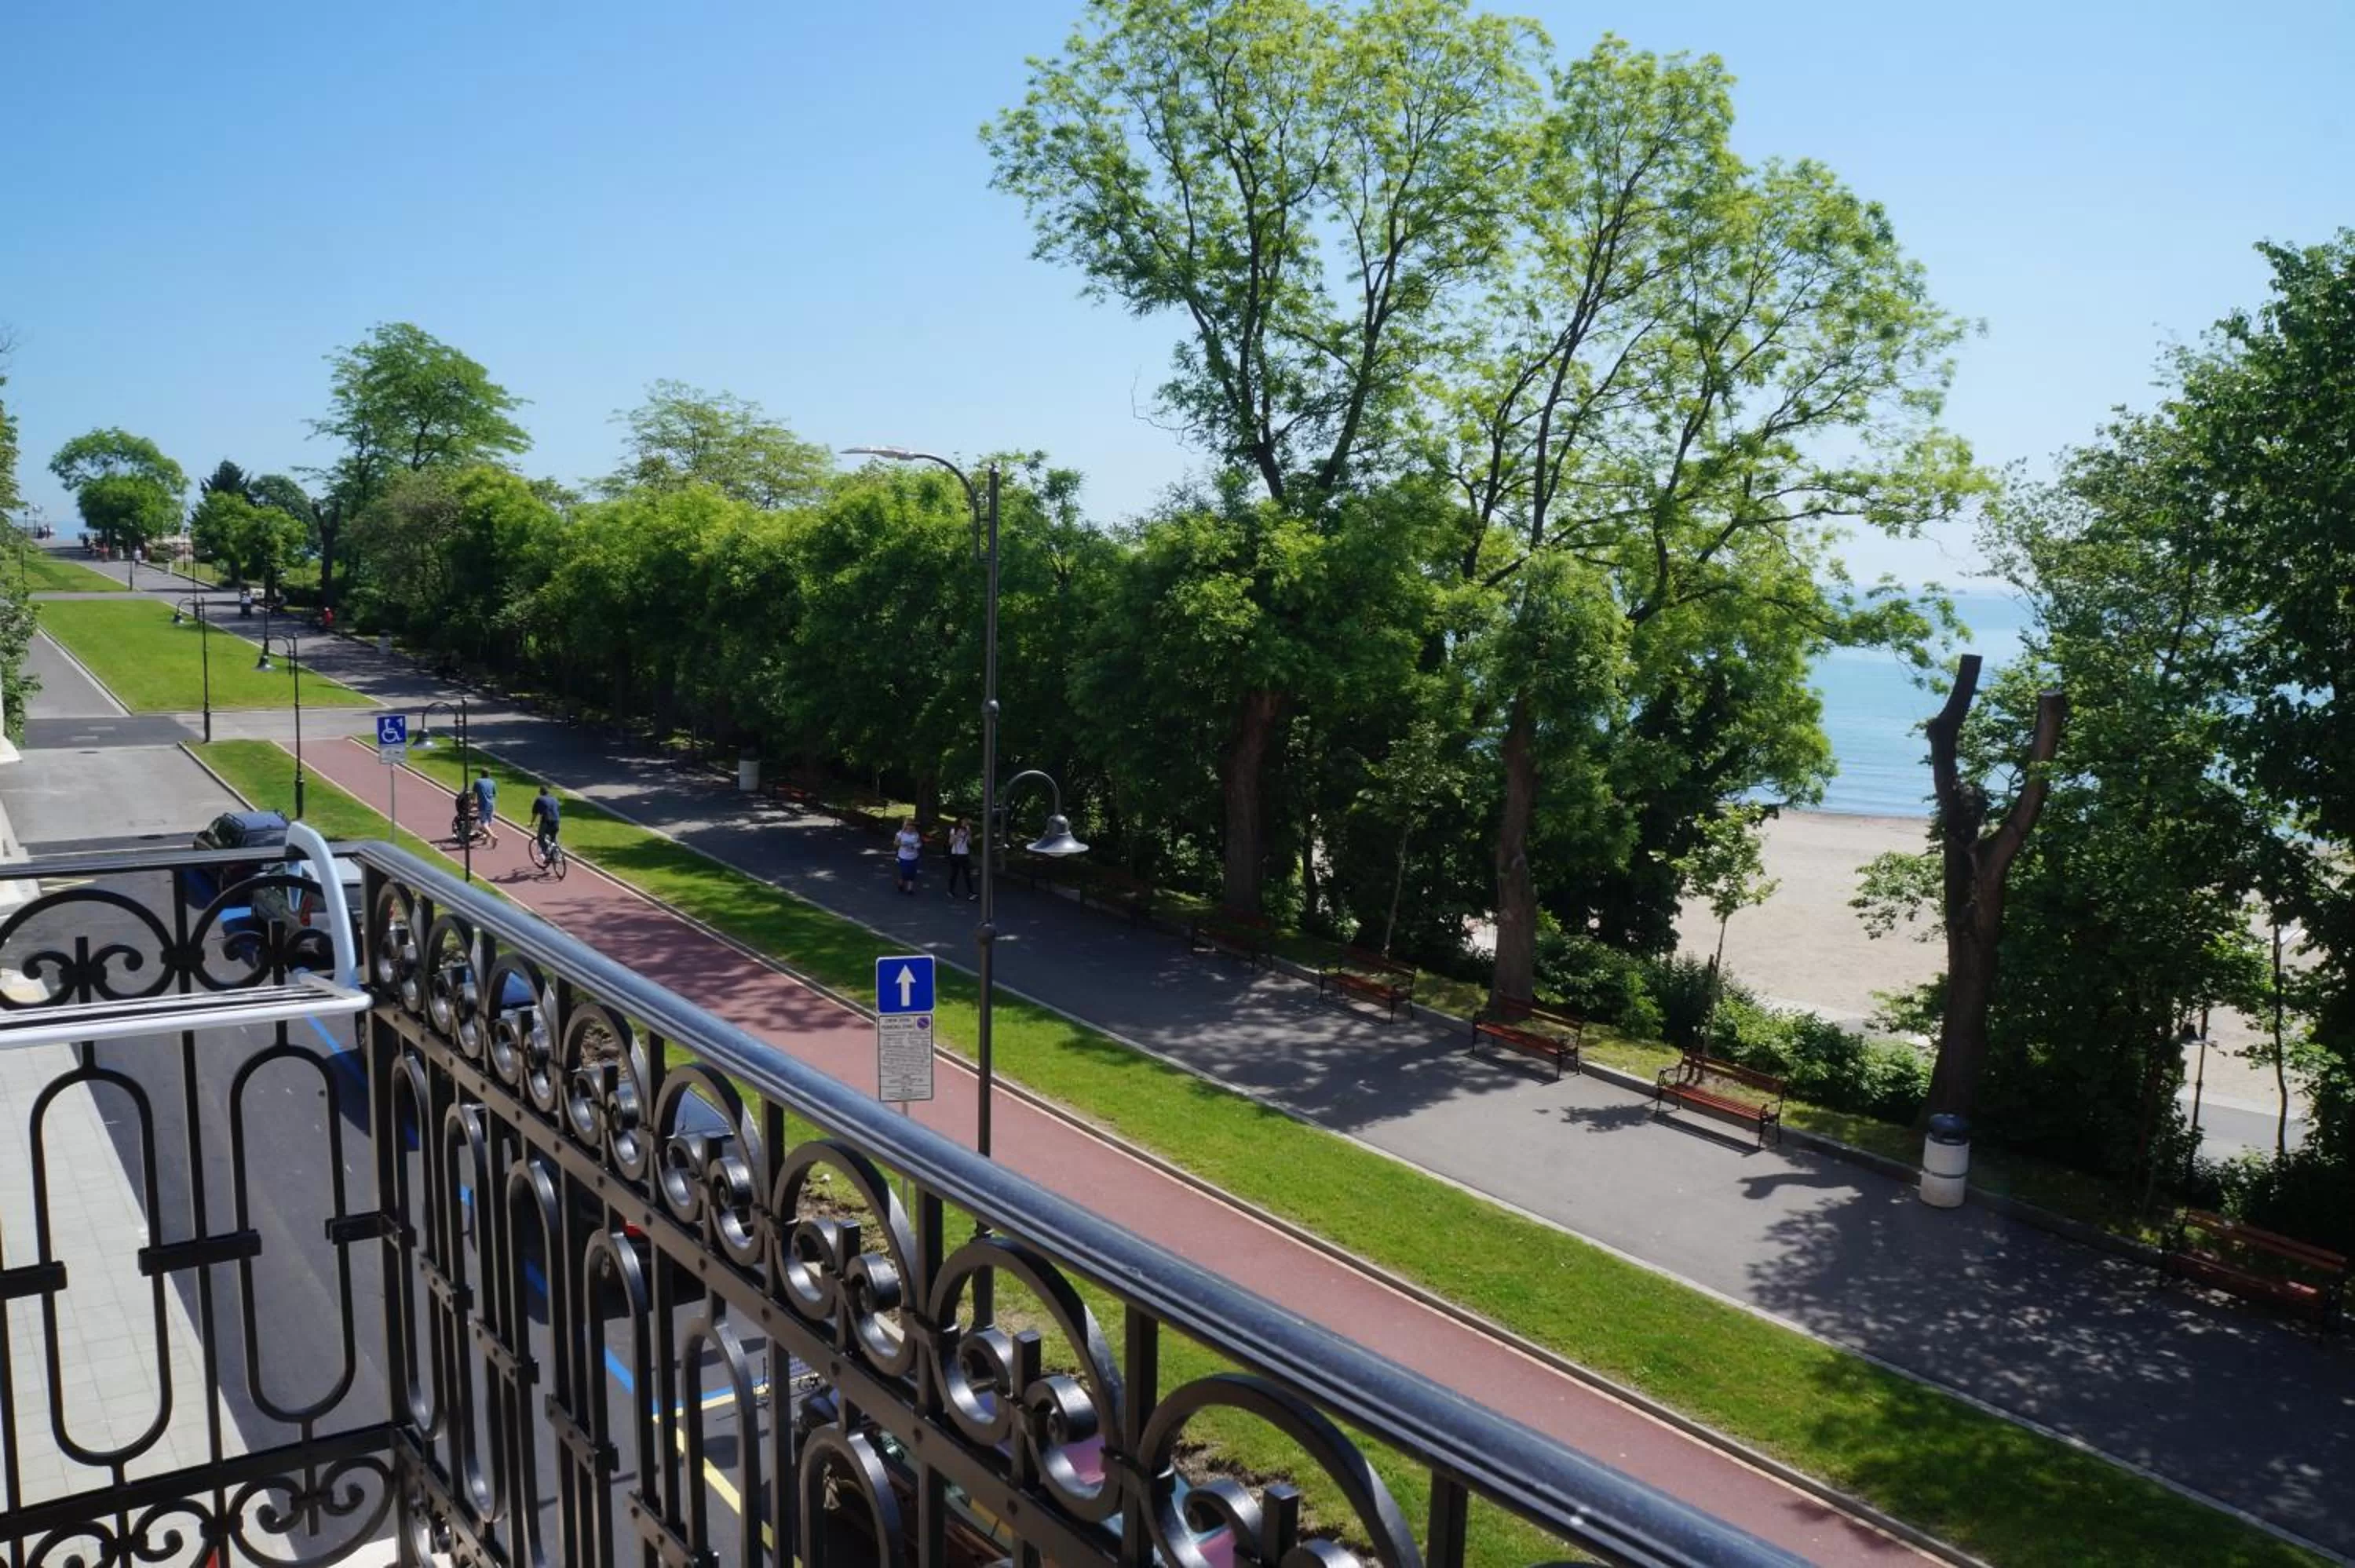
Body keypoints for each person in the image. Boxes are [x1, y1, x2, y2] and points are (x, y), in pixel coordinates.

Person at [945, 818, 975, 899]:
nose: (966, 823)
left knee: (967, 874)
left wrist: (969, 834)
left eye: (967, 822)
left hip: (965, 854)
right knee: (954, 873)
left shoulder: (967, 830)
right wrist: (957, 835)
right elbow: (950, 842)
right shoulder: (954, 830)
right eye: (964, 821)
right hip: (956, 854)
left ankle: (971, 892)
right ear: (960, 822)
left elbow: (970, 842)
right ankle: (950, 890)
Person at [530, 783, 561, 854]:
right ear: (548, 792)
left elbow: (535, 814)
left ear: (540, 792)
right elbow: (557, 810)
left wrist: (532, 823)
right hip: (556, 821)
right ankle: (557, 855)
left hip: (546, 822)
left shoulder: (539, 799)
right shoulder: (554, 799)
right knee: (553, 838)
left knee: (540, 838)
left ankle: (547, 853)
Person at [894, 818, 922, 895]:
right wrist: (903, 844)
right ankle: (901, 883)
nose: (910, 827)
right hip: (903, 857)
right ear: (905, 826)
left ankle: (910, 889)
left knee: (912, 873)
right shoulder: (900, 834)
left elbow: (919, 843)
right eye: (908, 825)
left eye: (912, 825)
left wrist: (915, 846)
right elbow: (896, 843)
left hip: (913, 857)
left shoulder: (916, 834)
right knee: (905, 872)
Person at [471, 772, 498, 846]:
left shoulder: (478, 782)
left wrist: (474, 802)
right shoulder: (492, 782)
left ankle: (493, 836)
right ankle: (486, 840)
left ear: (481, 774)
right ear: (488, 775)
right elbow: (494, 794)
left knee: (483, 823)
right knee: (488, 823)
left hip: (483, 805)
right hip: (491, 805)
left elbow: (474, 794)